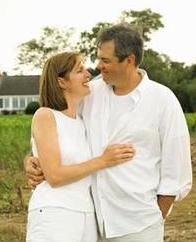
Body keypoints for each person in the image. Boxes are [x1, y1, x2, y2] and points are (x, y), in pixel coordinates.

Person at [25, 24, 192, 242]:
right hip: (94, 223)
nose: (98, 66)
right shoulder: (90, 94)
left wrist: (155, 217)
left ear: (129, 60)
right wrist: (31, 160)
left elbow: (176, 169)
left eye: (106, 60)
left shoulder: (162, 100)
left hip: (139, 224)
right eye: (98, 58)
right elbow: (61, 132)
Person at [26, 51, 135, 242]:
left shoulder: (81, 121)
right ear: (61, 82)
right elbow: (54, 176)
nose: (88, 75)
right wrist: (103, 161)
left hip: (86, 213)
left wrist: (29, 159)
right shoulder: (46, 115)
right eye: (79, 70)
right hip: (55, 211)